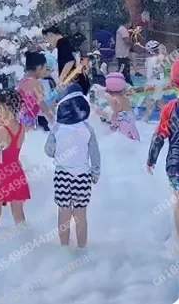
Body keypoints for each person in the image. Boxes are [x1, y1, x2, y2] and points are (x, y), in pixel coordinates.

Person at [44, 84, 100, 248]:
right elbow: (95, 154)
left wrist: (59, 153)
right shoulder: (87, 128)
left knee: (63, 212)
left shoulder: (57, 128)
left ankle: (64, 247)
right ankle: (82, 248)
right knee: (80, 214)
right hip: (82, 176)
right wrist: (96, 173)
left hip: (62, 175)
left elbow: (48, 150)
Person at [0, 89, 30, 225]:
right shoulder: (22, 128)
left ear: (3, 108)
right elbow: (14, 153)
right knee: (19, 215)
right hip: (16, 174)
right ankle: (25, 236)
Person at [147, 59, 179, 246]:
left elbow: (159, 137)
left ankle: (178, 242)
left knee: (177, 199)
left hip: (176, 165)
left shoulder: (170, 108)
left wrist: (150, 161)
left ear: (174, 83)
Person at [17, 51, 53, 131]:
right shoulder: (35, 83)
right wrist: (54, 121)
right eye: (45, 67)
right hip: (26, 124)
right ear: (38, 67)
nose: (45, 70)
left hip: (18, 122)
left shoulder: (22, 81)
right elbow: (43, 107)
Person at [101, 72, 140, 141]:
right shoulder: (126, 99)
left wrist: (97, 111)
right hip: (131, 129)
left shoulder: (113, 100)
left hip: (121, 131)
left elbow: (111, 115)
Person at [141, 40, 167, 122]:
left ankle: (145, 119)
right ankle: (165, 118)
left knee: (151, 102)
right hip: (161, 83)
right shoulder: (162, 58)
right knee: (159, 101)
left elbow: (149, 75)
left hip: (153, 83)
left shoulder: (150, 60)